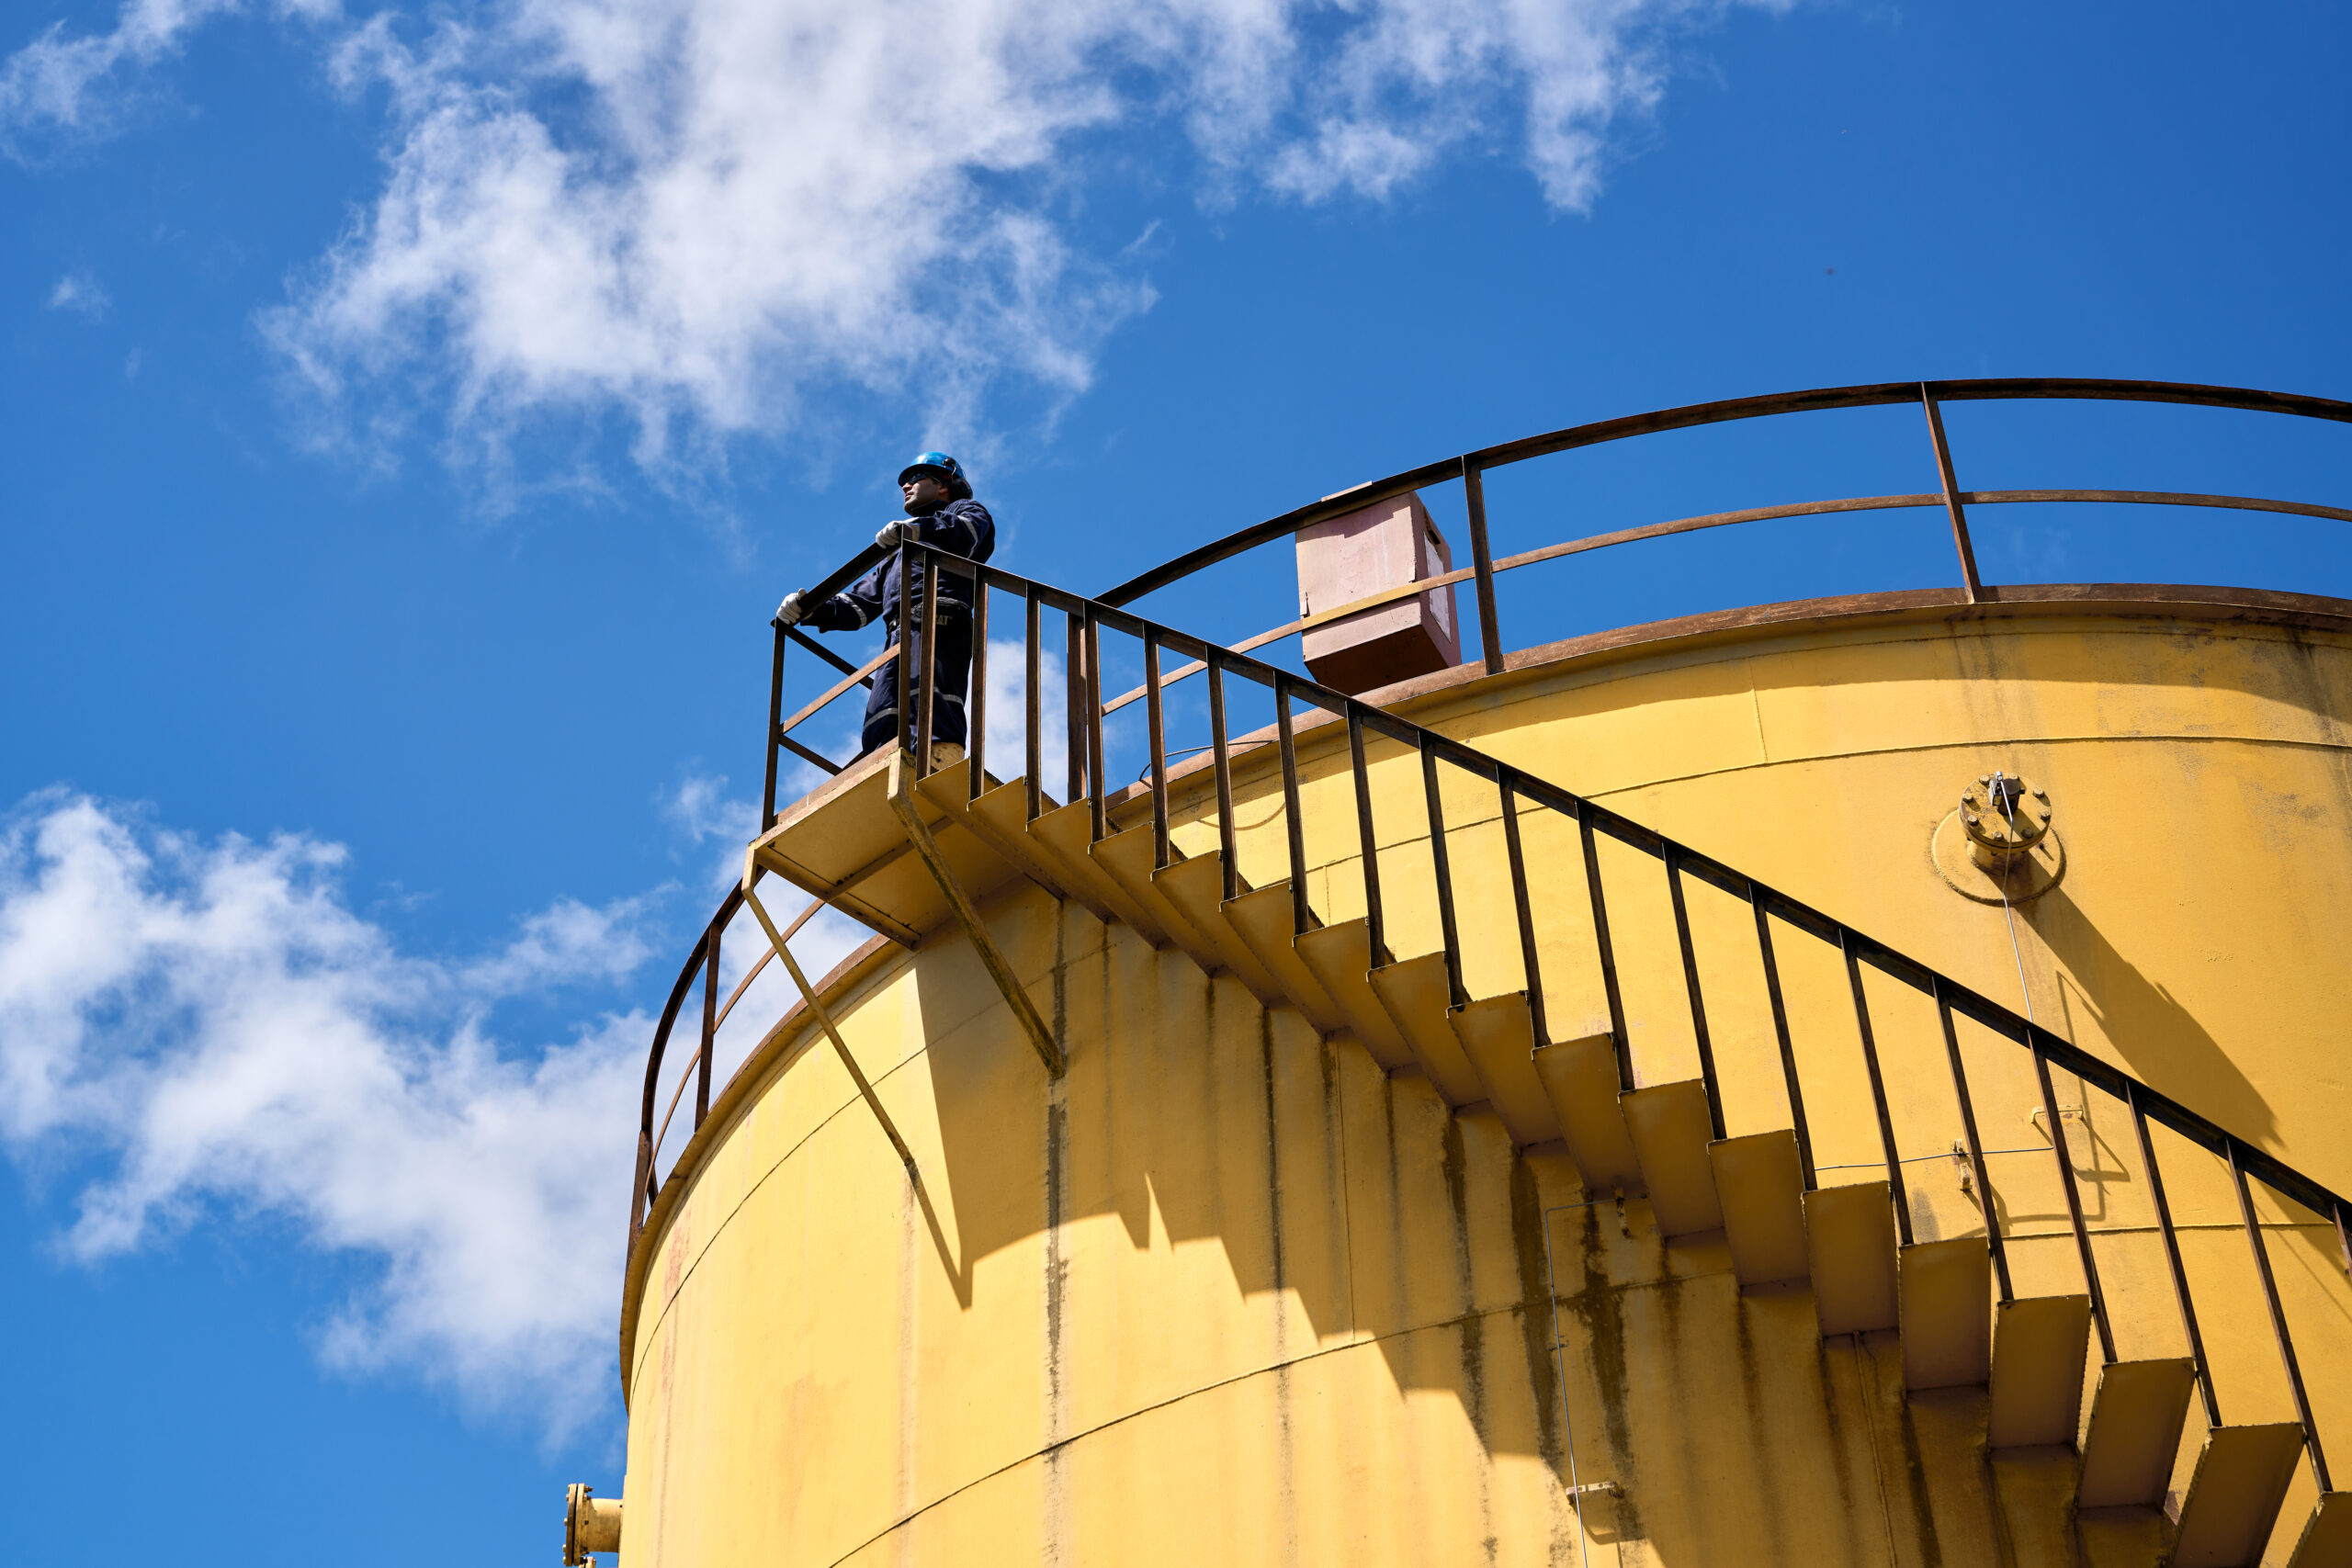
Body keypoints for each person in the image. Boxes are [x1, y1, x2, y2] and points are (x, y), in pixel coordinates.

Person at [775, 453, 995, 762]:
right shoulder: (897, 552)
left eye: (916, 477)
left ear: (943, 484)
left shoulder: (964, 511)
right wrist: (808, 609)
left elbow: (967, 534)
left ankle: (940, 755)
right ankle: (884, 759)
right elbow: (857, 606)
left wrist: (919, 530)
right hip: (899, 633)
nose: (905, 485)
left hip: (940, 617)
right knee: (884, 707)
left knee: (930, 696)